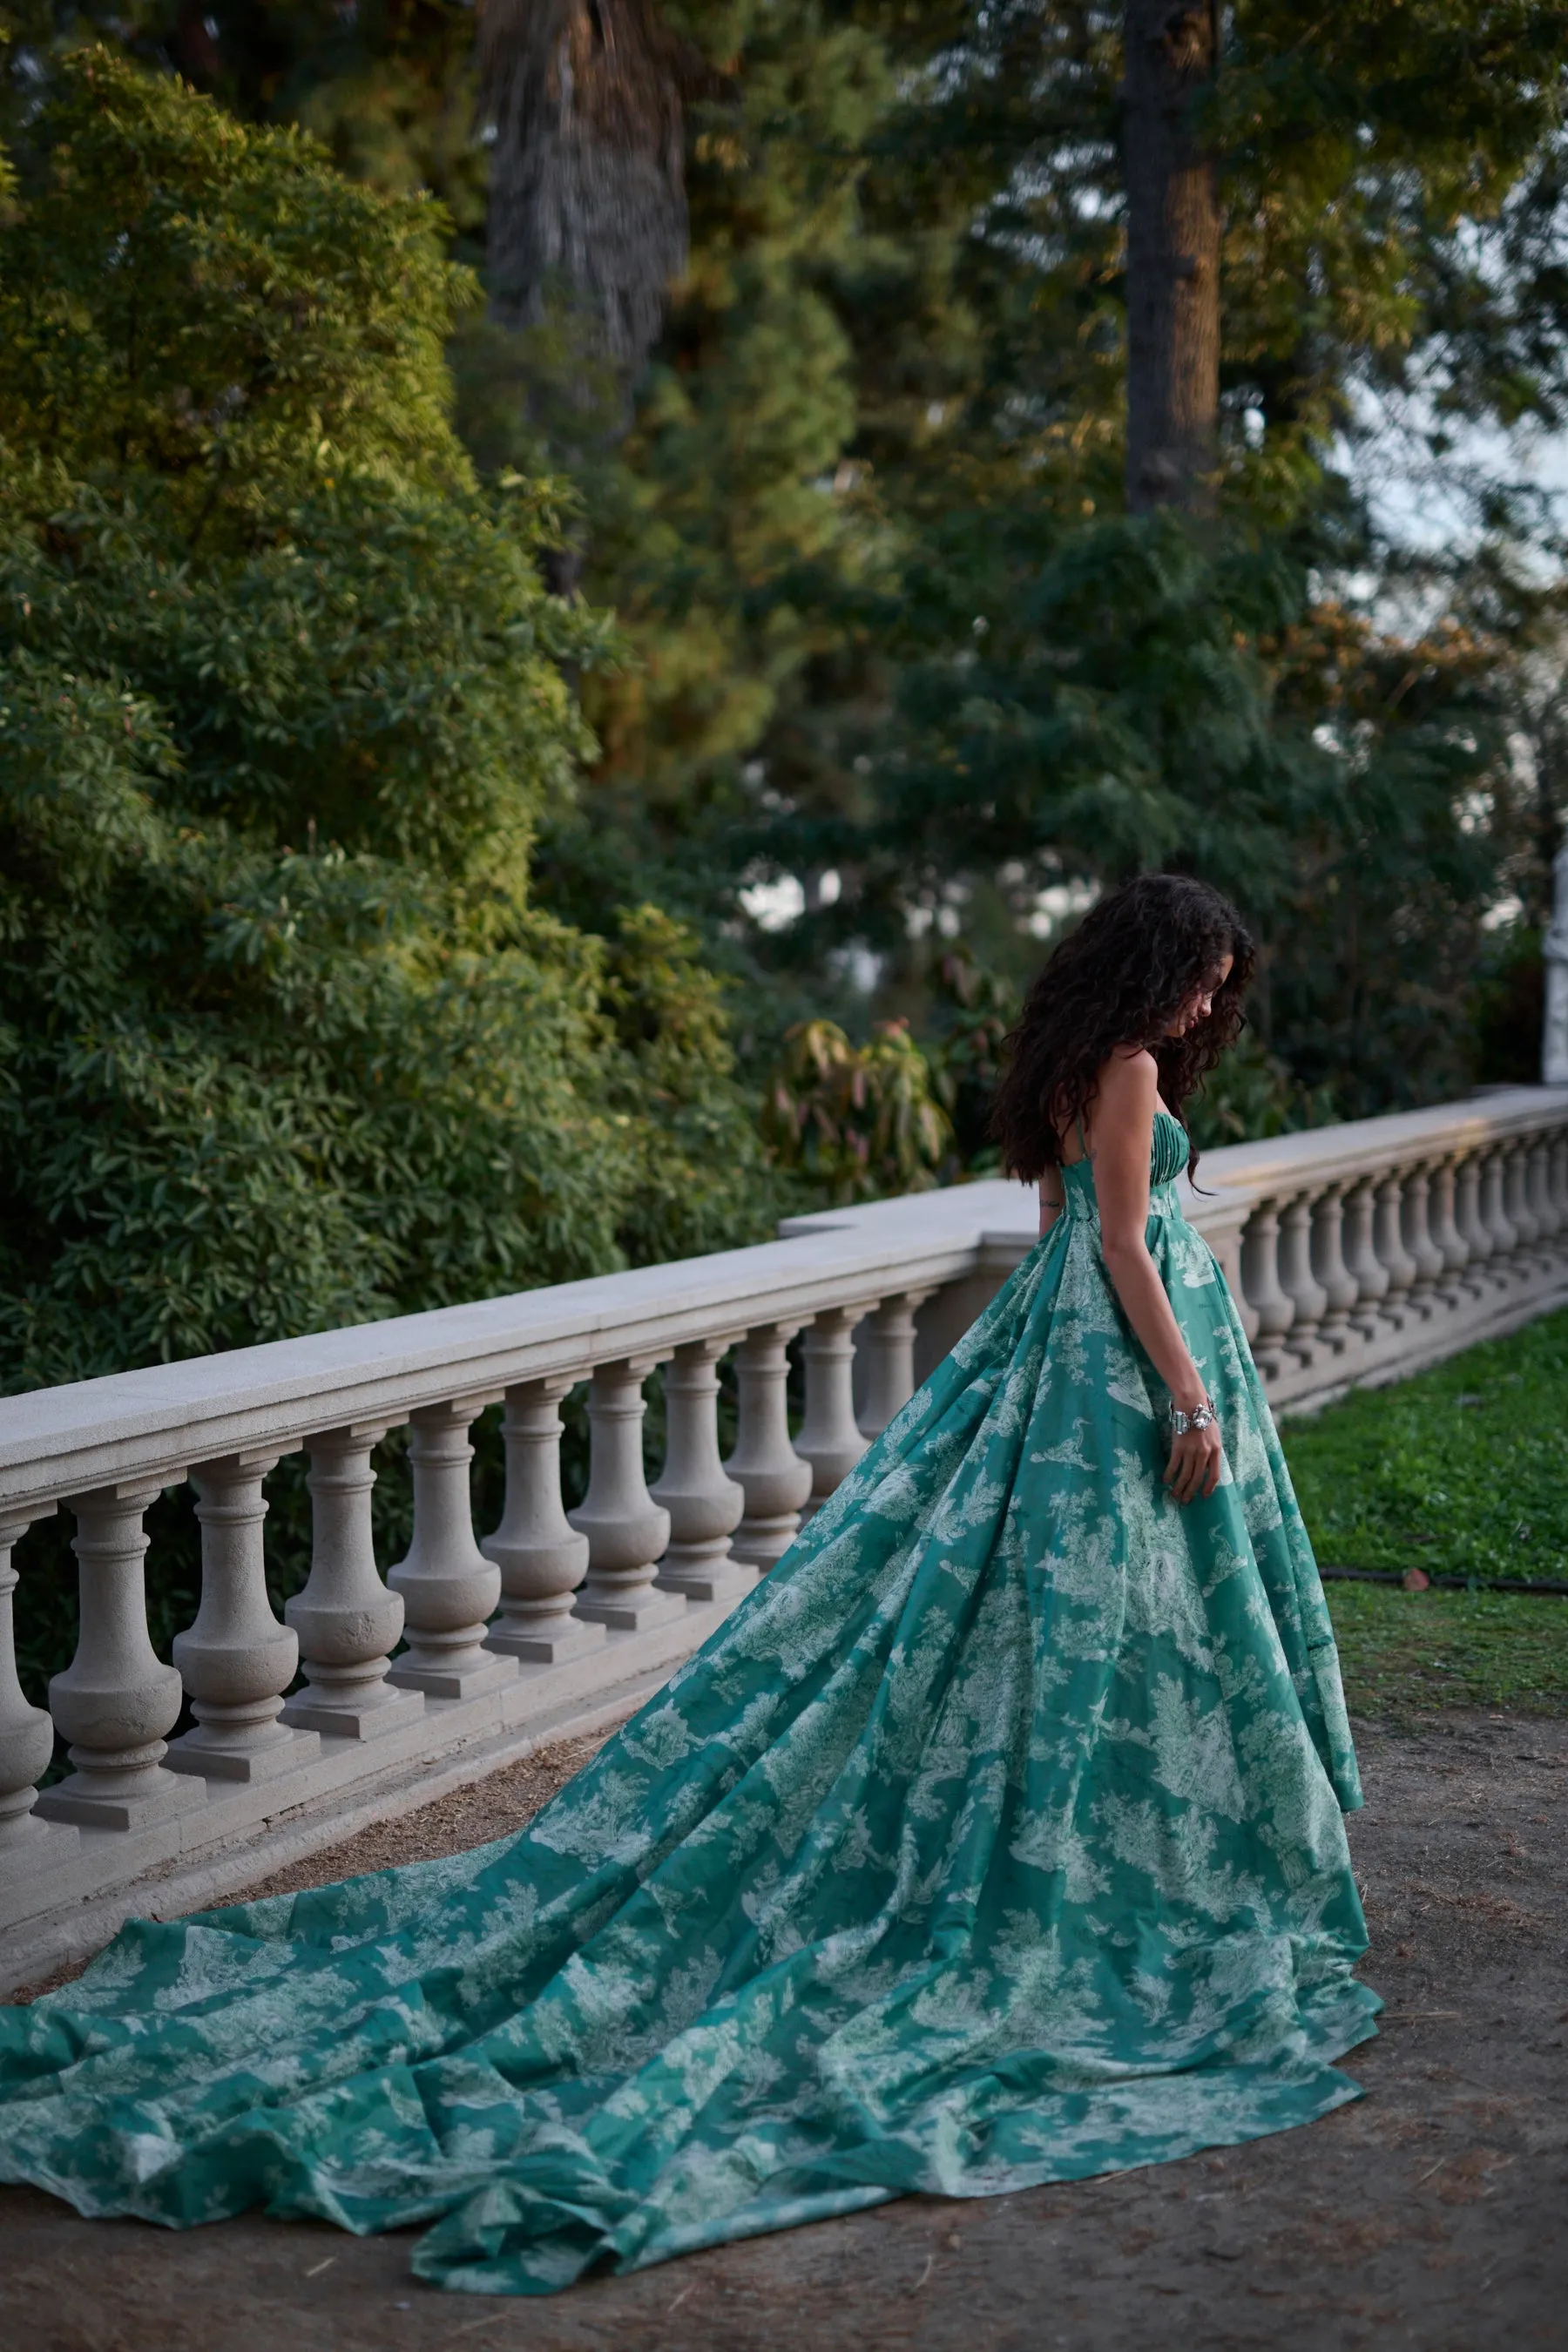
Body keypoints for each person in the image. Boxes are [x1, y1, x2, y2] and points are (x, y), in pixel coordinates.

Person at [0, 872, 1377, 2295]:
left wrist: (1039, 1375)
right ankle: (1100, 1865)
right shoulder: (1134, 1069)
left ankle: (1060, 1831)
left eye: (1223, 980)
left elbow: (1051, 1244)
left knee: (1045, 1622)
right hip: (1115, 1372)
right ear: (1151, 963)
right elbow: (1113, 1246)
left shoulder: (1080, 1058)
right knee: (1108, 1625)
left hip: (1054, 1356)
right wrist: (1192, 1395)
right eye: (1203, 973)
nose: (1212, 1000)